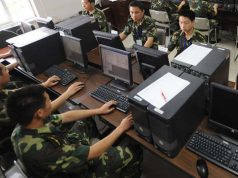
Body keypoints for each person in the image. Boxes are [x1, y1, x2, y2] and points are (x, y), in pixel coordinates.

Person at [7, 85, 142, 178]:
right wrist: (121, 128)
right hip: (76, 173)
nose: (51, 102)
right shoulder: (43, 151)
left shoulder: (24, 126)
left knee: (84, 122)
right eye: (48, 100)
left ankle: (103, 145)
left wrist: (98, 110)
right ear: (39, 113)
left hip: (63, 150)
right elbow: (94, 152)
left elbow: (66, 116)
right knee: (132, 151)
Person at [0, 63, 84, 139]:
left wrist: (44, 85)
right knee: (82, 119)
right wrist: (67, 93)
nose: (8, 70)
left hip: (24, 125)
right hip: (26, 129)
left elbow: (15, 93)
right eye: (5, 69)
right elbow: (43, 111)